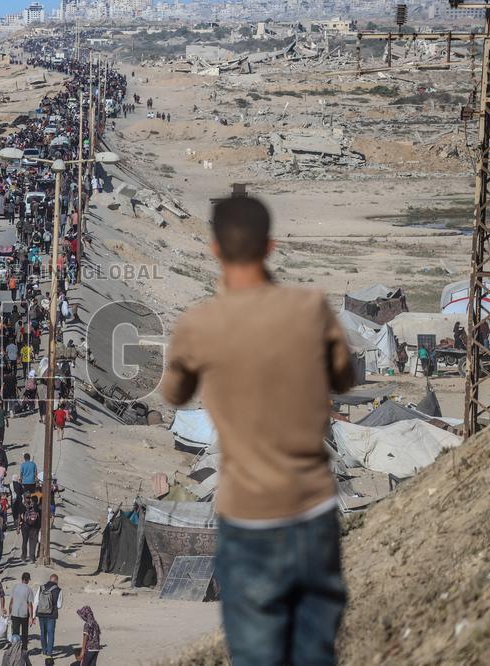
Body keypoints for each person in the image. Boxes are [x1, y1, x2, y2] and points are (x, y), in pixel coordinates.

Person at [162, 196, 354, 666]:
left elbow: (173, 394)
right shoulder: (311, 308)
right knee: (315, 650)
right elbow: (345, 378)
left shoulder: (200, 324)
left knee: (254, 652)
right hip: (312, 508)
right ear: (271, 245)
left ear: (214, 249)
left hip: (247, 515)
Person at [34, 574, 63, 659]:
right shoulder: (58, 590)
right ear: (56, 580)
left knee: (43, 632)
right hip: (51, 615)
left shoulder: (41, 587)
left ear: (49, 579)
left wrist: (33, 615)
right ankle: (49, 652)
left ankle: (44, 650)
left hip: (41, 614)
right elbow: (59, 605)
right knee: (50, 633)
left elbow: (36, 601)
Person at [8, 572, 34, 651]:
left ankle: (15, 649)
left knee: (15, 633)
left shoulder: (15, 587)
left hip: (15, 613)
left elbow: (11, 602)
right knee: (24, 633)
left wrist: (10, 613)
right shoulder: (29, 589)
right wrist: (31, 617)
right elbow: (30, 605)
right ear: (28, 580)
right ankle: (24, 649)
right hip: (24, 614)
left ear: (22, 579)